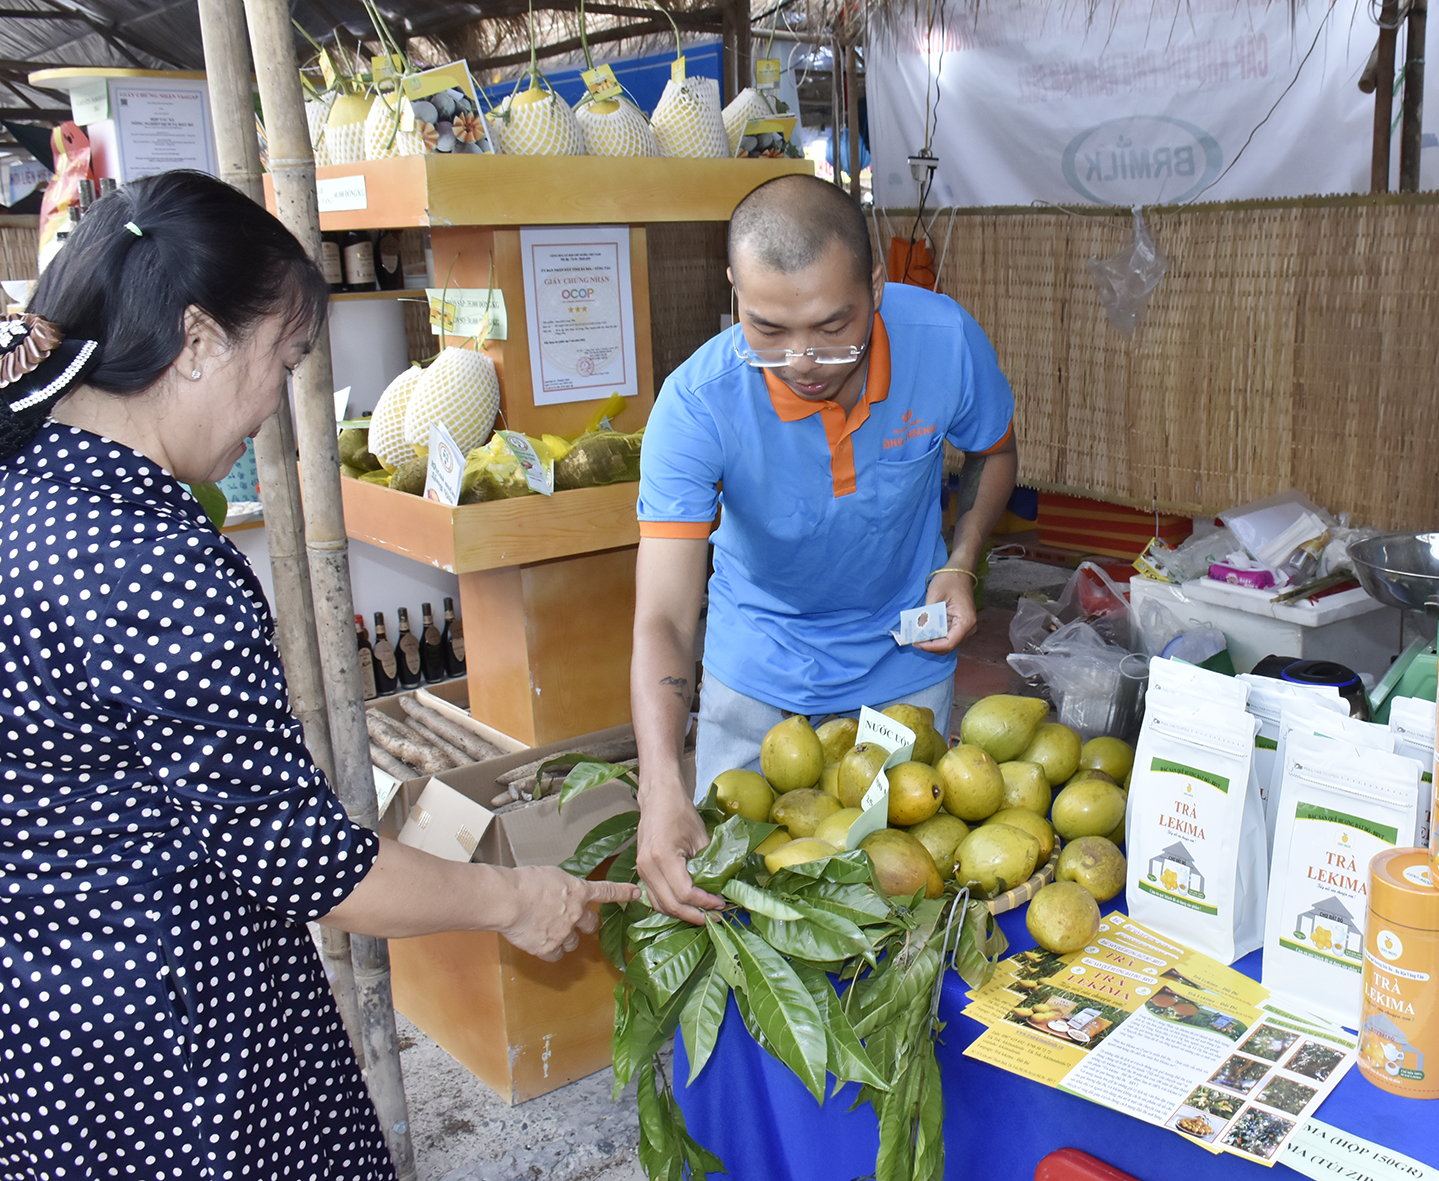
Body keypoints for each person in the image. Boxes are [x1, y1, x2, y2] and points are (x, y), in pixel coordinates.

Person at [0, 170, 639, 1179]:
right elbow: (305, 863)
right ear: (200, 338)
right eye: (282, 358)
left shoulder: (28, 487)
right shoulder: (153, 562)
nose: (272, 407)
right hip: (175, 1040)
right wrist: (513, 896)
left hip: (51, 1024)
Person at [633, 174, 1018, 923]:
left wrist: (959, 560)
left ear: (875, 286)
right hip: (756, 675)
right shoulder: (696, 405)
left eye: (832, 325)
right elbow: (666, 618)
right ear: (735, 292)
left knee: (902, 909)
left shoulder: (943, 342)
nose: (802, 359)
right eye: (768, 329)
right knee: (745, 913)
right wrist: (658, 783)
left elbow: (993, 453)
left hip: (904, 668)